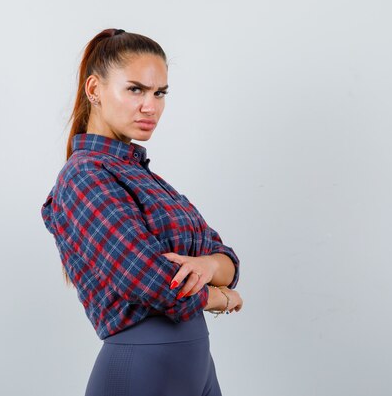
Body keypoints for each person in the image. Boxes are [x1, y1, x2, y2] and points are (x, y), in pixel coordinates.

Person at [40, 28, 243, 396]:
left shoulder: (145, 178)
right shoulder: (85, 174)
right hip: (142, 368)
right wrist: (218, 296)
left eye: (159, 93)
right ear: (94, 90)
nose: (150, 106)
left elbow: (225, 256)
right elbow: (145, 278)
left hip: (195, 367)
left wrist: (211, 267)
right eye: (135, 89)